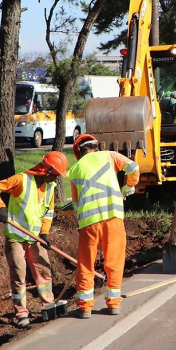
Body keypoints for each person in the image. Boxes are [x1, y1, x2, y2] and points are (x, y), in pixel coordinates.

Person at [0, 151, 68, 327]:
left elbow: (49, 212)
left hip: (35, 238)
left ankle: (48, 305)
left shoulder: (50, 187)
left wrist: (44, 233)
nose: (56, 180)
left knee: (44, 271)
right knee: (19, 275)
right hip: (16, 237)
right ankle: (21, 313)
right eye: (55, 175)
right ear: (46, 171)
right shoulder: (22, 180)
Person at [67, 134, 140, 318]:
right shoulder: (110, 156)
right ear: (95, 146)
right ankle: (113, 304)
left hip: (88, 224)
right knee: (114, 261)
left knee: (85, 263)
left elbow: (75, 204)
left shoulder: (75, 169)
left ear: (78, 151)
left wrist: (81, 222)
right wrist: (128, 186)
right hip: (113, 218)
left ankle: (84, 307)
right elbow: (133, 167)